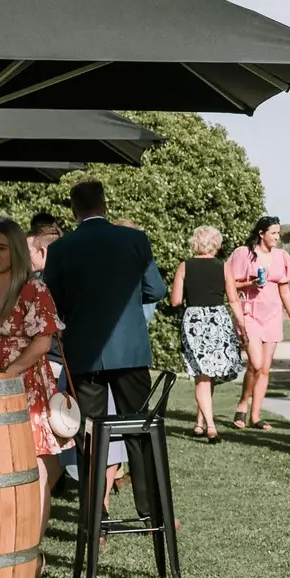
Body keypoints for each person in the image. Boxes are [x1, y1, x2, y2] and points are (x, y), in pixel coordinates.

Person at [42, 179, 168, 524]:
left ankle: (94, 514)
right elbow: (156, 289)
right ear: (104, 204)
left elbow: (54, 302)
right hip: (129, 351)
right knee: (140, 430)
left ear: (73, 210)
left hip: (84, 353)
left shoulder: (62, 248)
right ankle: (151, 512)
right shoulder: (134, 239)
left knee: (90, 435)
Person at [0, 217, 69, 526]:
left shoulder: (34, 288)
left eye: (2, 248)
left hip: (27, 382)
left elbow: (42, 343)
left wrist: (9, 373)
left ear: (16, 251)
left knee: (33, 464)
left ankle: (32, 546)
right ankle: (0, 533)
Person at [223, 215, 290, 431]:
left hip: (272, 315)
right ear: (261, 234)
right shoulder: (243, 254)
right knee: (255, 364)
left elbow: (284, 288)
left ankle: (256, 416)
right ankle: (242, 405)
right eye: (273, 233)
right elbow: (230, 284)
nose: (277, 237)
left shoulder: (282, 256)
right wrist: (251, 283)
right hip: (249, 314)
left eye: (278, 233)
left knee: (264, 369)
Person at [169, 226, 239, 443]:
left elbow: (175, 301)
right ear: (216, 244)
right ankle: (210, 426)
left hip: (195, 321)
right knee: (208, 374)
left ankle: (201, 423)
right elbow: (234, 300)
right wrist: (242, 327)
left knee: (202, 374)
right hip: (218, 319)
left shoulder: (185, 266)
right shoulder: (224, 267)